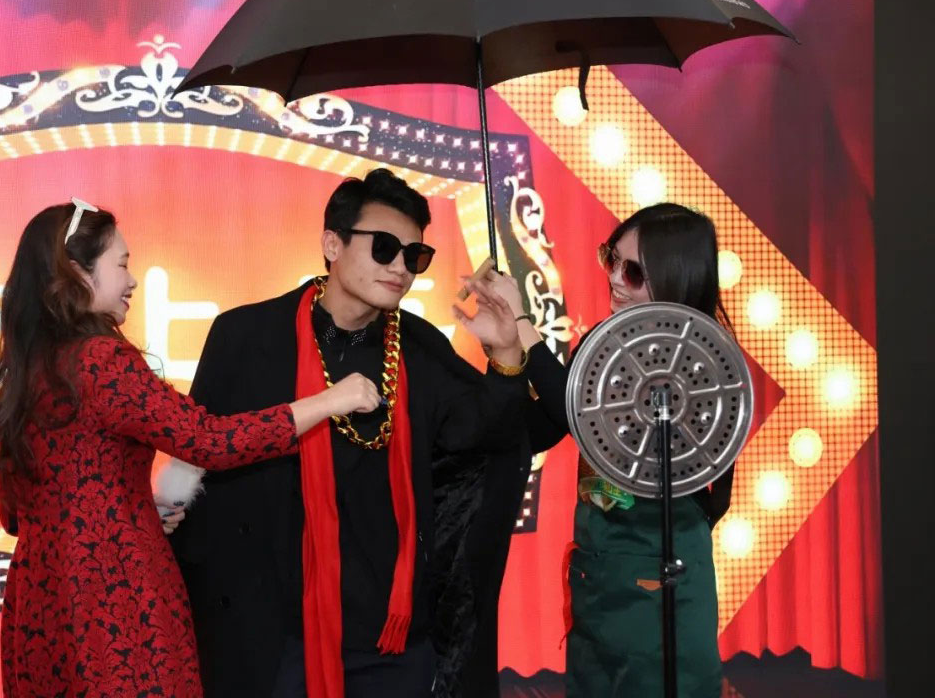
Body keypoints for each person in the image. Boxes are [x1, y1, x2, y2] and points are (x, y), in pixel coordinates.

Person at [0, 199, 378, 697]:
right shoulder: (102, 359)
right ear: (77, 273)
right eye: (121, 265)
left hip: (41, 601)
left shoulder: (27, 371)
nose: (132, 281)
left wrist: (124, 506)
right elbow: (209, 441)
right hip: (113, 594)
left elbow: (17, 512)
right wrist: (329, 401)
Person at [159, 169, 532, 698]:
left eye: (415, 256)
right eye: (384, 248)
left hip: (388, 633)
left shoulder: (419, 346)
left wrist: (507, 352)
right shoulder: (246, 334)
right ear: (332, 244)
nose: (400, 267)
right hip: (271, 633)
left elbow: (486, 439)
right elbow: (200, 451)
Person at [484, 203, 734, 698]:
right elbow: (543, 428)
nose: (616, 279)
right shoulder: (599, 345)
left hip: (664, 577)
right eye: (611, 259)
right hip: (597, 574)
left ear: (677, 277)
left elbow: (574, 411)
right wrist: (505, 356)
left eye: (633, 271)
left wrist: (523, 322)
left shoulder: (698, 362)